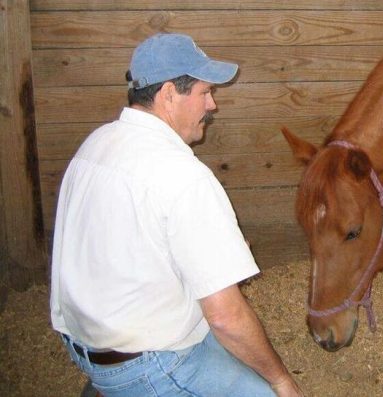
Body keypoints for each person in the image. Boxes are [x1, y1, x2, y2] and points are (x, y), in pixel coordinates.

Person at [50, 33, 303, 397]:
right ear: (169, 94)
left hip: (82, 344)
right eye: (204, 92)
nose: (212, 105)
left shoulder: (95, 145)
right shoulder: (183, 175)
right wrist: (282, 380)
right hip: (145, 363)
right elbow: (226, 318)